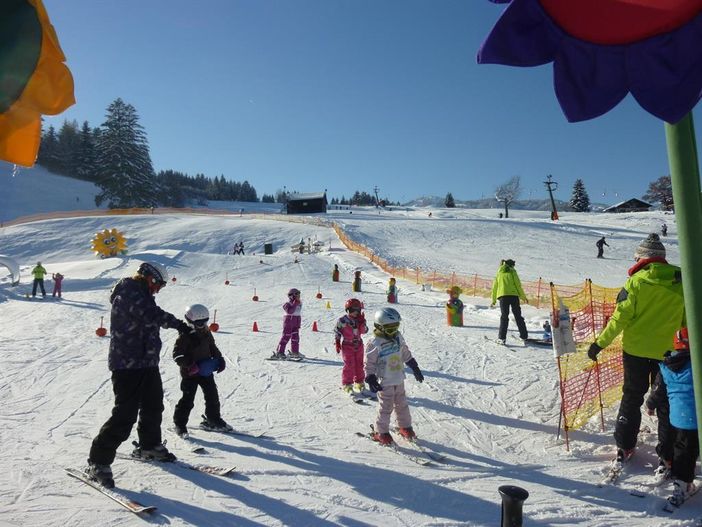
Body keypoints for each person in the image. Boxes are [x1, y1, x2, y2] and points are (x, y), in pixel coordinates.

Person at [86, 262, 190, 488]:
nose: (158, 289)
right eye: (158, 284)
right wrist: (180, 325)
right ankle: (98, 461)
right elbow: (150, 314)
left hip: (146, 362)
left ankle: (149, 446)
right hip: (127, 364)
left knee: (153, 406)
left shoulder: (142, 293)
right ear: (148, 277)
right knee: (125, 414)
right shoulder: (129, 292)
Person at [587, 233, 683, 468]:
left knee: (631, 396)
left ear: (643, 258)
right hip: (669, 354)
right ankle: (668, 453)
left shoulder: (635, 282)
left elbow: (620, 317)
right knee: (666, 402)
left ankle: (625, 444)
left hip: (636, 351)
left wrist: (600, 343)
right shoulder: (682, 280)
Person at [646, 328, 698, 507]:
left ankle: (680, 479)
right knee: (687, 451)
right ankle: (683, 485)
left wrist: (651, 404)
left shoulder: (666, 366)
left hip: (676, 418)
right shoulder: (697, 364)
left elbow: (658, 391)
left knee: (681, 448)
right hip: (695, 419)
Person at [365, 308, 424, 445]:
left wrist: (414, 366)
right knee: (386, 407)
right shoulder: (374, 343)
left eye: (395, 327)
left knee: (402, 405)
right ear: (380, 327)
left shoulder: (397, 337)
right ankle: (381, 432)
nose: (393, 332)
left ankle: (405, 427)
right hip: (384, 382)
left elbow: (404, 352)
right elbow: (369, 363)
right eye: (390, 329)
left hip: (398, 378)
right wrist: (371, 377)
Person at [172, 304, 229, 437]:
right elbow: (177, 356)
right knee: (187, 399)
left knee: (212, 396)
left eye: (204, 322)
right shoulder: (184, 336)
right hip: (190, 374)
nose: (202, 324)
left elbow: (212, 346)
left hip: (205, 370)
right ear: (190, 321)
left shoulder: (206, 331)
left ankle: (213, 419)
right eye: (198, 323)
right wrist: (190, 365)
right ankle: (179, 424)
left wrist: (220, 359)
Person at [334, 298, 369, 394]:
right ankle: (347, 383)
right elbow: (337, 331)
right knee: (349, 364)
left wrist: (362, 323)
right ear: (347, 310)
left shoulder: (360, 320)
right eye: (352, 310)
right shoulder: (342, 320)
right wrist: (337, 341)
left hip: (359, 344)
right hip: (347, 345)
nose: (355, 313)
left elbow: (364, 331)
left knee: (359, 364)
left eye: (357, 311)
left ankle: (359, 382)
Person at [490, 259, 528, 344]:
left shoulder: (499, 273)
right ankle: (524, 336)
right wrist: (523, 297)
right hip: (514, 296)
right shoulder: (513, 272)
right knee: (518, 316)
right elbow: (518, 285)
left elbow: (495, 287)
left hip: (503, 297)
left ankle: (502, 338)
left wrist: (493, 300)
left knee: (504, 317)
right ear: (511, 265)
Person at [272, 288, 302, 360]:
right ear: (292, 296)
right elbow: (290, 312)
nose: (299, 296)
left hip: (295, 322)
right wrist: (294, 303)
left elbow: (298, 314)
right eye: (297, 295)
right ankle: (280, 352)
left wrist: (298, 324)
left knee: (295, 338)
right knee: (286, 337)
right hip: (288, 322)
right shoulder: (287, 304)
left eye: (299, 295)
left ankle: (295, 352)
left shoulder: (299, 303)